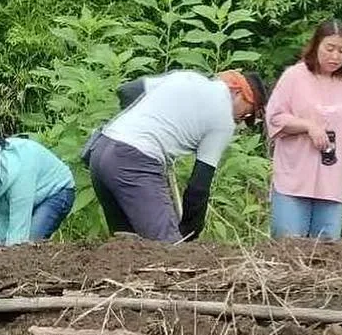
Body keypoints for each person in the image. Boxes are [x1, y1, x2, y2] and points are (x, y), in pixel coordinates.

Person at [84, 69, 266, 243]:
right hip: (134, 162)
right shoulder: (223, 119)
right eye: (247, 113)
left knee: (126, 246)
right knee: (169, 254)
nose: (242, 119)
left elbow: (127, 91)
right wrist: (189, 232)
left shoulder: (186, 78)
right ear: (237, 92)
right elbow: (199, 186)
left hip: (101, 150)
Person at [265, 20, 342, 241]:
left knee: (326, 252)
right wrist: (308, 126)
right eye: (329, 48)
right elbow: (275, 117)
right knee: (288, 247)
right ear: (316, 45)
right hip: (294, 179)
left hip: (333, 182)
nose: (335, 56)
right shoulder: (294, 76)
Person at [0, 131, 77, 244]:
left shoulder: (20, 175)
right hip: (25, 194)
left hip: (56, 194)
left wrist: (8, 259)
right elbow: (1, 216)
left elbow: (18, 239)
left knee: (27, 245)